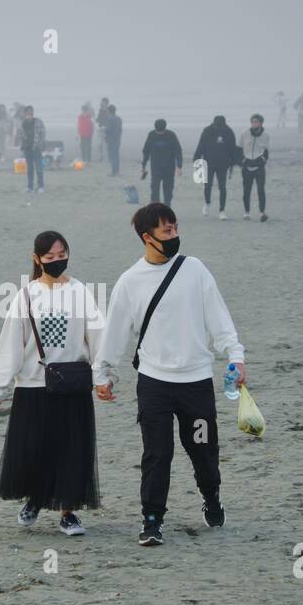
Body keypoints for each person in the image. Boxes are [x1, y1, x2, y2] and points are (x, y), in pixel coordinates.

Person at [93, 203, 245, 547]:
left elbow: (219, 319)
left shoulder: (196, 270)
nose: (174, 236)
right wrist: (104, 375)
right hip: (155, 384)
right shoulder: (130, 282)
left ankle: (211, 496)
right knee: (157, 454)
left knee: (203, 449)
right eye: (166, 231)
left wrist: (235, 355)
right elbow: (115, 333)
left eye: (175, 229)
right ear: (147, 237)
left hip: (196, 383)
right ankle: (151, 520)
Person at [0, 230, 102, 536]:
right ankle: (35, 499)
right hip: (32, 385)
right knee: (33, 448)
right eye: (50, 256)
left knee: (72, 449)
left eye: (62, 255)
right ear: (37, 259)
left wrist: (104, 377)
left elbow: (97, 336)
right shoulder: (25, 296)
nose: (57, 261)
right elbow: (10, 344)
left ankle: (68, 513)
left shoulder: (81, 292)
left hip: (72, 385)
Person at [194, 114, 237, 218]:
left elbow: (232, 148)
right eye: (217, 126)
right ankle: (207, 203)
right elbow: (201, 145)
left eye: (221, 126)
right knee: (207, 185)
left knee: (222, 187)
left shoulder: (228, 131)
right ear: (213, 124)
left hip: (223, 164)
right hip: (208, 163)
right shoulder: (207, 131)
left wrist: (232, 163)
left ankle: (222, 210)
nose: (219, 128)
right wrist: (196, 159)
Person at [141, 118, 183, 205]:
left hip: (169, 168)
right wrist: (143, 165)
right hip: (156, 168)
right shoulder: (151, 135)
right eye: (158, 132)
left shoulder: (171, 135)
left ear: (165, 128)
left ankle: (167, 208)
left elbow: (178, 151)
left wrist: (179, 166)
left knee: (168, 190)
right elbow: (146, 151)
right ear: (155, 128)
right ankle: (156, 209)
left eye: (161, 133)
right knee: (154, 188)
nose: (159, 134)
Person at [238, 113, 270, 221]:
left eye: (256, 122)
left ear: (260, 123)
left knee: (261, 190)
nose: (254, 123)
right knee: (246, 190)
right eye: (252, 122)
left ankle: (262, 213)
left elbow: (266, 152)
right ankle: (246, 212)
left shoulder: (266, 135)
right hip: (246, 167)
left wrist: (261, 161)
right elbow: (239, 149)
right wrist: (243, 161)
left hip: (259, 167)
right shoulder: (244, 133)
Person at [20, 105, 46, 192]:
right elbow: (21, 136)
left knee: (39, 168)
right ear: (25, 113)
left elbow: (43, 133)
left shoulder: (38, 122)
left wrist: (40, 144)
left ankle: (41, 186)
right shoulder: (23, 123)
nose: (30, 113)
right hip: (27, 148)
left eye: (31, 111)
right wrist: (23, 147)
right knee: (30, 169)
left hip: (36, 148)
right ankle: (30, 187)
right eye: (28, 112)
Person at [104, 104, 123, 176]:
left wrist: (104, 130)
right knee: (116, 155)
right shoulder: (119, 119)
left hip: (111, 140)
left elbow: (108, 130)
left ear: (109, 111)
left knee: (112, 156)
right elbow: (120, 130)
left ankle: (114, 171)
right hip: (117, 139)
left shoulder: (110, 119)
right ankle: (117, 170)